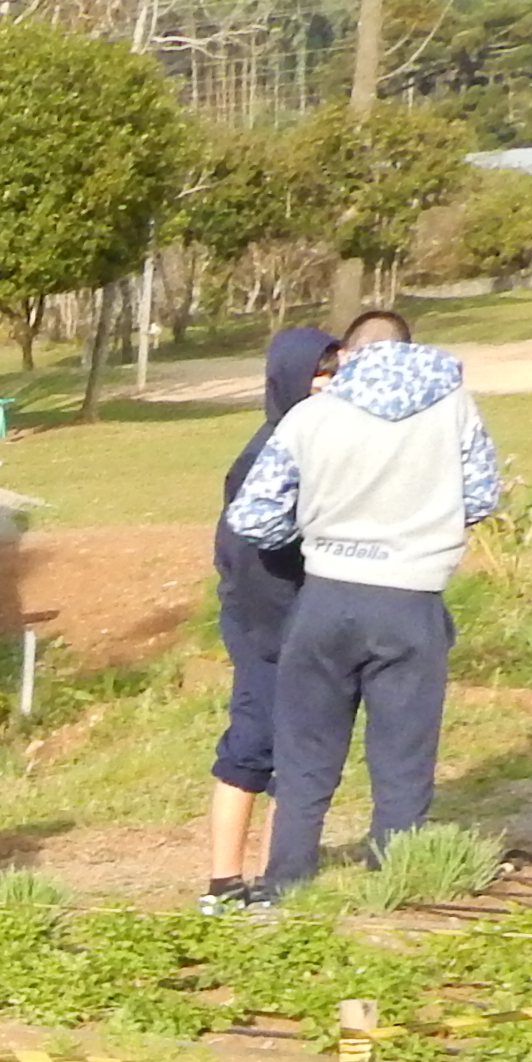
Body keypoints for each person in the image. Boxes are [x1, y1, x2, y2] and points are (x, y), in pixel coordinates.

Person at [221, 319, 499, 907]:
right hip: (411, 597)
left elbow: (253, 517)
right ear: (411, 344)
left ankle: (285, 885)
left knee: (304, 758)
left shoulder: (310, 416)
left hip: (326, 595)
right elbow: (480, 496)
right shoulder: (455, 407)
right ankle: (394, 890)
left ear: (348, 353)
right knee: (402, 758)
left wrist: (315, 533)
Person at [203, 324, 339, 909]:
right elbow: (247, 564)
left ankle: (278, 879)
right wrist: (276, 640)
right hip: (266, 627)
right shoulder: (262, 456)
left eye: (337, 374)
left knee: (301, 754)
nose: (329, 386)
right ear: (289, 379)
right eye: (319, 375)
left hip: (310, 625)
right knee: (251, 746)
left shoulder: (329, 446)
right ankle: (224, 882)